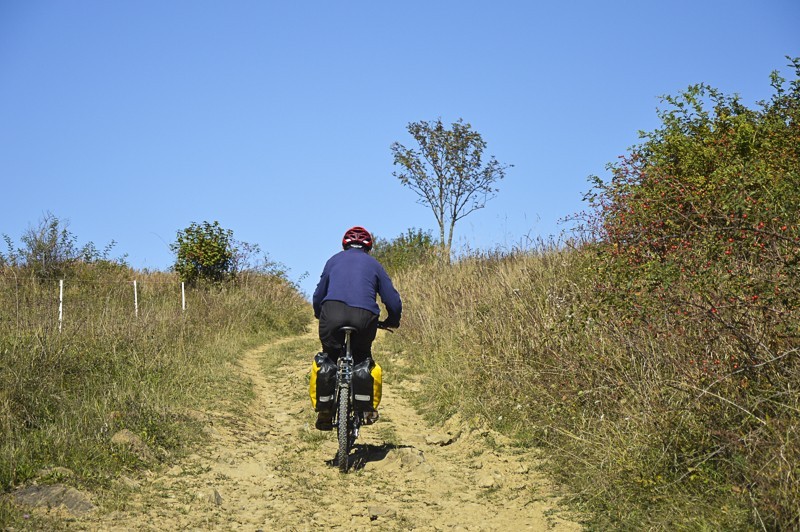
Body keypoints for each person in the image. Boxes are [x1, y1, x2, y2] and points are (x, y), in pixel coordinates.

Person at [311, 226, 402, 430]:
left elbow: (318, 295)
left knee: (329, 357)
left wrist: (320, 314)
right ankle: (367, 408)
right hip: (364, 316)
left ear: (345, 245)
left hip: (331, 313)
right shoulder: (375, 265)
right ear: (368, 247)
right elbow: (392, 300)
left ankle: (325, 410)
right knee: (362, 357)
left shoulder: (333, 261)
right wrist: (392, 321)